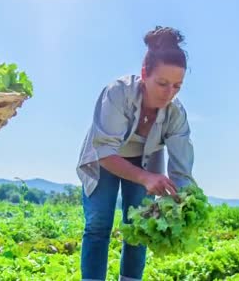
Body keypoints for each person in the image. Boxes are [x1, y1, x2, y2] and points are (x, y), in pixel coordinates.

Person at [76, 26, 195, 281]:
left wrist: (183, 200)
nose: (169, 93)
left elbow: (181, 168)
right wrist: (145, 178)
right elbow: (105, 151)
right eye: (162, 83)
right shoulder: (118, 93)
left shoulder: (176, 114)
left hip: (144, 162)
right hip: (105, 160)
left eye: (177, 85)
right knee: (98, 225)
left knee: (139, 228)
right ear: (144, 74)